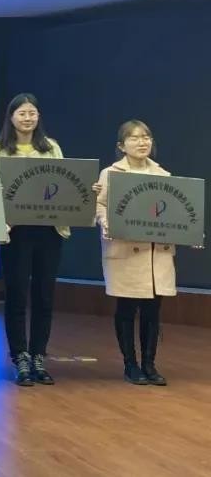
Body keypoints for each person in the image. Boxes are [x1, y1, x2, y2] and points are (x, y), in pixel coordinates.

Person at [95, 120, 189, 386]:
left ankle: (149, 364)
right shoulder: (110, 174)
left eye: (146, 137)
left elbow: (175, 211)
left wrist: (188, 232)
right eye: (134, 138)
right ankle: (130, 364)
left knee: (152, 310)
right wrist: (106, 222)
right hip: (125, 250)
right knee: (126, 307)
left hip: (155, 253)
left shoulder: (163, 175)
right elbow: (99, 205)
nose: (142, 142)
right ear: (121, 145)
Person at [0, 93, 66, 386]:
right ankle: (19, 356)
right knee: (16, 295)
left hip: (48, 231)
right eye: (22, 113)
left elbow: (65, 184)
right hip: (14, 233)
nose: (27, 118)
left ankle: (39, 355)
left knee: (44, 296)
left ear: (38, 117)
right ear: (11, 117)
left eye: (32, 113)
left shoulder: (51, 147)